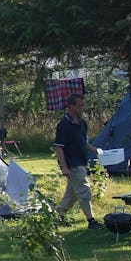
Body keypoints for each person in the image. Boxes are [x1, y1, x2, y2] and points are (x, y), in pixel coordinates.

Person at [54, 93, 101, 229]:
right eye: (80, 106)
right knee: (84, 190)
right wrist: (64, 167)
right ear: (71, 106)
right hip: (72, 163)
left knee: (72, 193)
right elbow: (58, 147)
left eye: (83, 105)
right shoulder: (64, 124)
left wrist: (97, 151)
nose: (83, 108)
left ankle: (59, 217)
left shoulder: (82, 123)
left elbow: (84, 142)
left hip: (81, 160)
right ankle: (91, 220)